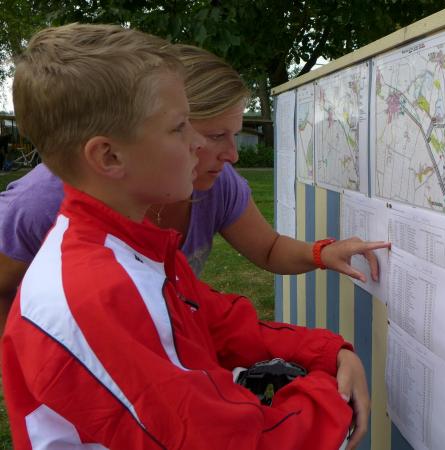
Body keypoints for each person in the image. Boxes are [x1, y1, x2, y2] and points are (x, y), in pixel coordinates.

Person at [2, 23, 377, 449]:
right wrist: (335, 399)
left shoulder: (132, 244)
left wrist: (325, 351)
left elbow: (210, 319)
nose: (199, 146)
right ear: (109, 156)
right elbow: (227, 441)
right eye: (181, 127)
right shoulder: (97, 296)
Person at [0, 43, 387, 330]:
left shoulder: (216, 184)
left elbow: (266, 250)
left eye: (235, 134)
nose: (233, 155)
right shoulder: (41, 204)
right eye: (214, 135)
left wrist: (322, 253)